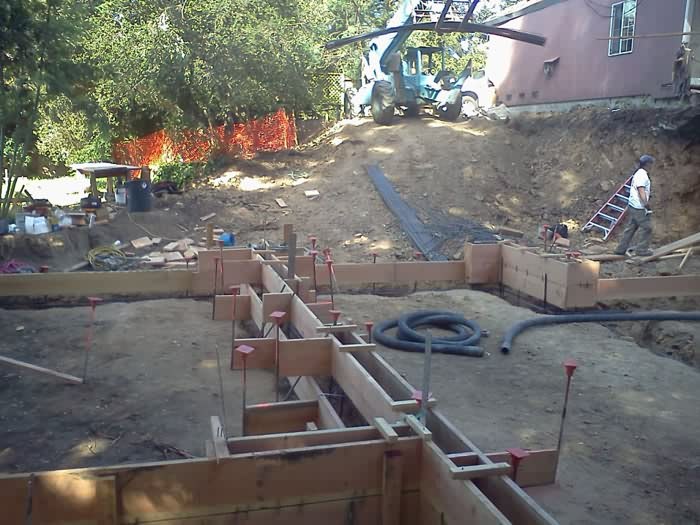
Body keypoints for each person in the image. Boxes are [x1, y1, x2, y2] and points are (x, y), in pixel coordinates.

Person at [615, 155, 655, 257]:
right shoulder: (642, 175)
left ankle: (620, 249)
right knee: (647, 228)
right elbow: (640, 189)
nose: (652, 166)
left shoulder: (639, 173)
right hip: (639, 206)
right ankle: (641, 250)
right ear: (647, 164)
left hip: (633, 204)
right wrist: (646, 204)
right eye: (651, 163)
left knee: (631, 227)